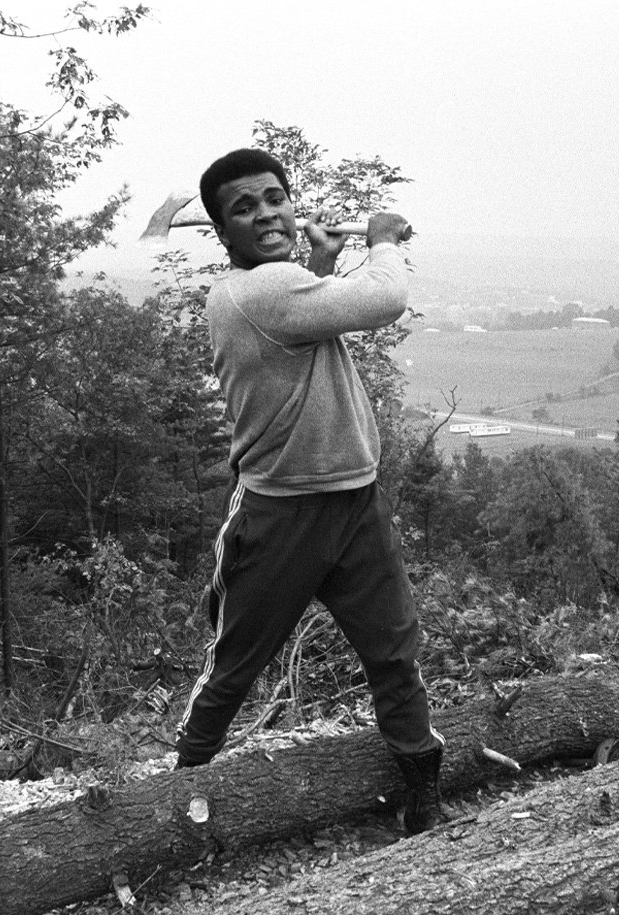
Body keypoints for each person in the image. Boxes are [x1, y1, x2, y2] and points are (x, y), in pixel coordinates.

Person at [174, 147, 444, 834]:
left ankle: (421, 786)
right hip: (281, 513)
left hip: (354, 500)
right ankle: (181, 793)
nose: (265, 213)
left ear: (290, 203)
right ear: (223, 233)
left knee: (393, 651)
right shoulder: (254, 293)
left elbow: (306, 316)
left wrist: (320, 265)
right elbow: (383, 299)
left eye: (274, 198)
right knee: (234, 663)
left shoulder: (279, 289)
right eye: (244, 208)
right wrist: (381, 239)